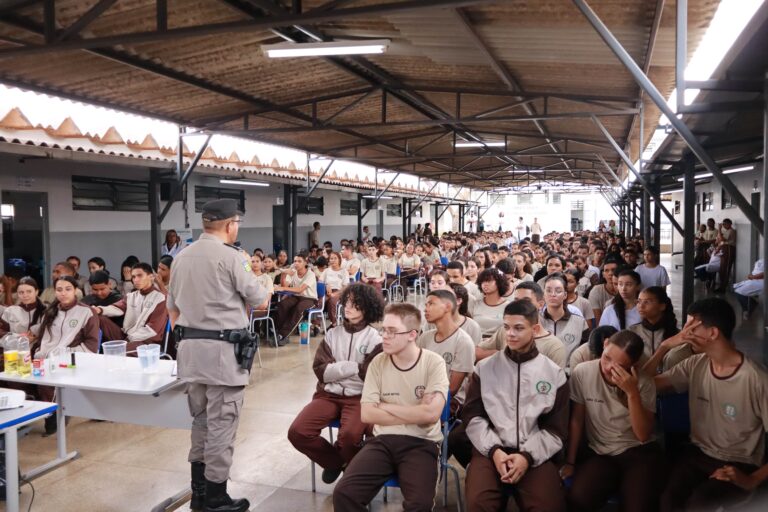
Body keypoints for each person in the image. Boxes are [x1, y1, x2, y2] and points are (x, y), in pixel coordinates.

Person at [167, 199, 267, 512]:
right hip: (222, 355)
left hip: (190, 353)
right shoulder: (233, 257)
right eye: (237, 222)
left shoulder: (181, 257)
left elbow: (172, 309)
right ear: (229, 225)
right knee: (222, 425)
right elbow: (260, 300)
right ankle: (215, 497)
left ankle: (199, 493)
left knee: (201, 422)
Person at [332, 303, 449, 511]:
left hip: (421, 443)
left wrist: (386, 406)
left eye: (392, 332)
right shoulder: (378, 362)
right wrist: (415, 412)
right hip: (382, 441)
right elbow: (368, 414)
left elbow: (431, 415)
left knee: (419, 505)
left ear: (412, 334)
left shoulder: (434, 363)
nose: (384, 336)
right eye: (383, 330)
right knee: (344, 494)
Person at [655, 298, 768, 512]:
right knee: (668, 501)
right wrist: (665, 346)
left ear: (713, 333)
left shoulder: (756, 378)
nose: (684, 334)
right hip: (698, 455)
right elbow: (644, 386)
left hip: (739, 462)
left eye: (691, 328)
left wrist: (752, 479)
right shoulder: (695, 364)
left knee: (700, 504)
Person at [463, 299, 568, 512]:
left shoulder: (553, 374)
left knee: (549, 506)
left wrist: (526, 457)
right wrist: (495, 451)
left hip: (534, 454)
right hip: (490, 452)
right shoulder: (484, 368)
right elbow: (473, 418)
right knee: (478, 504)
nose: (510, 334)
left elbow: (556, 430)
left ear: (535, 329)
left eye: (518, 328)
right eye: (506, 327)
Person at [288, 284, 384, 484]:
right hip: (328, 395)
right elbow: (321, 371)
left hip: (359, 398)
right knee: (298, 432)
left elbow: (369, 375)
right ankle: (336, 463)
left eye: (354, 304)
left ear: (367, 307)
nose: (347, 307)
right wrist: (354, 367)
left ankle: (355, 478)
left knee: (349, 437)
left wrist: (338, 369)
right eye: (346, 302)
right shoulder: (332, 334)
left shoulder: (376, 339)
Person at [562, 330, 662, 512]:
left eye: (620, 365)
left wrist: (632, 393)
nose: (609, 368)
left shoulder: (644, 383)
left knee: (638, 506)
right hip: (601, 452)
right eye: (607, 358)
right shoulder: (583, 372)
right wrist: (570, 461)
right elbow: (577, 419)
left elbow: (642, 435)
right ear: (605, 344)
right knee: (578, 498)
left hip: (638, 452)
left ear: (634, 365)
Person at [92, 262, 168, 352]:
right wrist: (99, 309)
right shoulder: (131, 296)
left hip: (145, 341)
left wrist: (127, 341)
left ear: (151, 277)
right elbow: (117, 308)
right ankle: (89, 349)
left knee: (118, 351)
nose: (136, 280)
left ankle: (117, 351)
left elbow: (152, 330)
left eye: (140, 276)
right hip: (126, 336)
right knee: (99, 317)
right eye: (133, 277)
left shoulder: (161, 298)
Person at [419, 290, 475, 411]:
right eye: (425, 305)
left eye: (431, 304)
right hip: (422, 393)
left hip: (449, 401)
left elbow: (452, 389)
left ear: (447, 307)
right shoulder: (425, 338)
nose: (425, 309)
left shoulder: (463, 342)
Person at [539, 273, 589, 364]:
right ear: (543, 295)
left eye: (558, 291)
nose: (553, 294)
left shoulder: (579, 322)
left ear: (565, 295)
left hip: (569, 373)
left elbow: (586, 352)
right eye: (548, 291)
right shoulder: (536, 321)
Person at [274, 253, 318, 346]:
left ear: (305, 263)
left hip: (310, 298)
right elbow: (285, 285)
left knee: (299, 308)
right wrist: (284, 273)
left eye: (299, 261)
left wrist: (283, 288)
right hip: (296, 297)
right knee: (282, 304)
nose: (296, 263)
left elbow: (299, 289)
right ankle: (278, 332)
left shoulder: (310, 274)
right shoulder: (293, 272)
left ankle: (283, 335)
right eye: (295, 261)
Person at [629, 286, 679, 361]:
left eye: (647, 302)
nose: (641, 306)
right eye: (639, 301)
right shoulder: (632, 332)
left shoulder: (677, 335)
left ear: (662, 306)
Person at [471, 268, 512, 338]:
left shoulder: (509, 306)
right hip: (476, 341)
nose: (485, 284)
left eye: (489, 281)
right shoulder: (475, 304)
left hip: (499, 342)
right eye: (482, 281)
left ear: (499, 282)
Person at [320, 251, 349, 327]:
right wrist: (326, 285)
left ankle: (334, 323)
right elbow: (320, 281)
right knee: (320, 301)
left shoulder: (344, 271)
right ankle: (316, 324)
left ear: (339, 260)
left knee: (332, 301)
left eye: (335, 258)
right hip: (326, 290)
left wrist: (334, 294)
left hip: (339, 292)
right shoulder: (326, 271)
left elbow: (345, 287)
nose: (333, 260)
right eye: (331, 258)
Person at [589, 257, 619, 324]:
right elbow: (598, 321)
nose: (610, 273)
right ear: (603, 274)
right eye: (606, 270)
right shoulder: (596, 291)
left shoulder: (625, 290)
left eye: (613, 270)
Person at [715, 219, 737, 293]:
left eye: (725, 224)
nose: (724, 225)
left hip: (729, 249)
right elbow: (719, 240)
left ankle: (723, 287)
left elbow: (722, 239)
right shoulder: (725, 231)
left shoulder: (731, 231)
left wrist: (719, 229)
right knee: (721, 269)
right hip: (724, 249)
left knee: (726, 269)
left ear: (730, 224)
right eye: (723, 224)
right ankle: (721, 285)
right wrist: (718, 248)